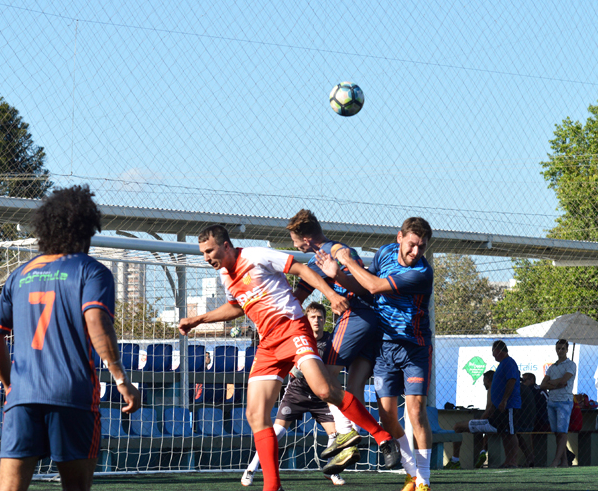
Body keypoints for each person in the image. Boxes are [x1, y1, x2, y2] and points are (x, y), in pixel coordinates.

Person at [178, 225, 397, 491]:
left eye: (209, 251)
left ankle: (382, 437)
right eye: (203, 252)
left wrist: (331, 294)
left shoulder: (257, 255)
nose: (206, 257)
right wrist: (197, 320)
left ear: (226, 246)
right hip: (268, 343)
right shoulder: (226, 275)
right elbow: (236, 307)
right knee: (255, 414)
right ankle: (273, 487)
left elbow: (303, 270)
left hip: (293, 327)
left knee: (325, 390)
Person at [0, 185, 141, 491]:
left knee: (9, 486)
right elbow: (95, 320)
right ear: (87, 228)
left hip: (23, 396)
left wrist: (8, 383)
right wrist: (121, 379)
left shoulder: (19, 274)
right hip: (73, 396)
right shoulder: (91, 271)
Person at [322, 217, 434, 491]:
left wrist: (346, 261)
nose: (415, 252)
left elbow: (373, 286)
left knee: (416, 410)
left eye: (421, 247)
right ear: (399, 238)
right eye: (411, 245)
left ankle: (425, 479)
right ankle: (411, 474)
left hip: (415, 348)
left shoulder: (422, 272)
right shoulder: (384, 253)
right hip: (385, 347)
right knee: (386, 417)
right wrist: (337, 275)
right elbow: (365, 289)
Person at [286, 209, 382, 471]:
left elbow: (360, 280)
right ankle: (379, 444)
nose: (294, 246)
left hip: (357, 314)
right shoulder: (315, 263)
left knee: (325, 379)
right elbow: (297, 296)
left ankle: (347, 435)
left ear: (305, 239)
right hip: (369, 322)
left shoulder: (338, 251)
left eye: (295, 241)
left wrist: (338, 270)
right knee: (353, 391)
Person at [241, 303, 346, 487]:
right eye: (313, 317)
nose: (317, 321)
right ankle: (251, 468)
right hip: (296, 392)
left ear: (324, 320)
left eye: (320, 317)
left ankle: (332, 471)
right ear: (307, 319)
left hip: (320, 397)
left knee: (335, 433)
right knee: (276, 431)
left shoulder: (331, 341)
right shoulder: (298, 337)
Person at [444, 370, 495, 469]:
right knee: (485, 430)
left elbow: (489, 408)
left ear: (488, 380)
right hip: (498, 423)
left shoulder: (491, 388)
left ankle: (455, 461)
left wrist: (481, 419)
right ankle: (482, 451)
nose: (483, 383)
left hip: (491, 423)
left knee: (457, 427)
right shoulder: (501, 388)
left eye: (483, 380)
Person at [540, 339, 577, 468]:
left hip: (564, 401)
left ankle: (556, 461)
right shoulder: (552, 367)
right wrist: (556, 384)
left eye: (562, 348)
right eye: (558, 348)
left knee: (562, 432)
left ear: (567, 349)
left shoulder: (571, 365)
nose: (560, 351)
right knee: (557, 432)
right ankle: (565, 461)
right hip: (552, 401)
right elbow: (542, 385)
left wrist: (552, 384)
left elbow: (564, 381)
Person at [488, 340, 521, 468]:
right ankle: (508, 460)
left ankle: (513, 461)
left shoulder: (509, 363)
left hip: (509, 405)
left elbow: (511, 380)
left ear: (498, 351)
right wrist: (494, 405)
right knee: (504, 433)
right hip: (501, 406)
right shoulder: (502, 364)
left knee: (511, 433)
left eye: (493, 352)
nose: (493, 355)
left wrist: (504, 400)